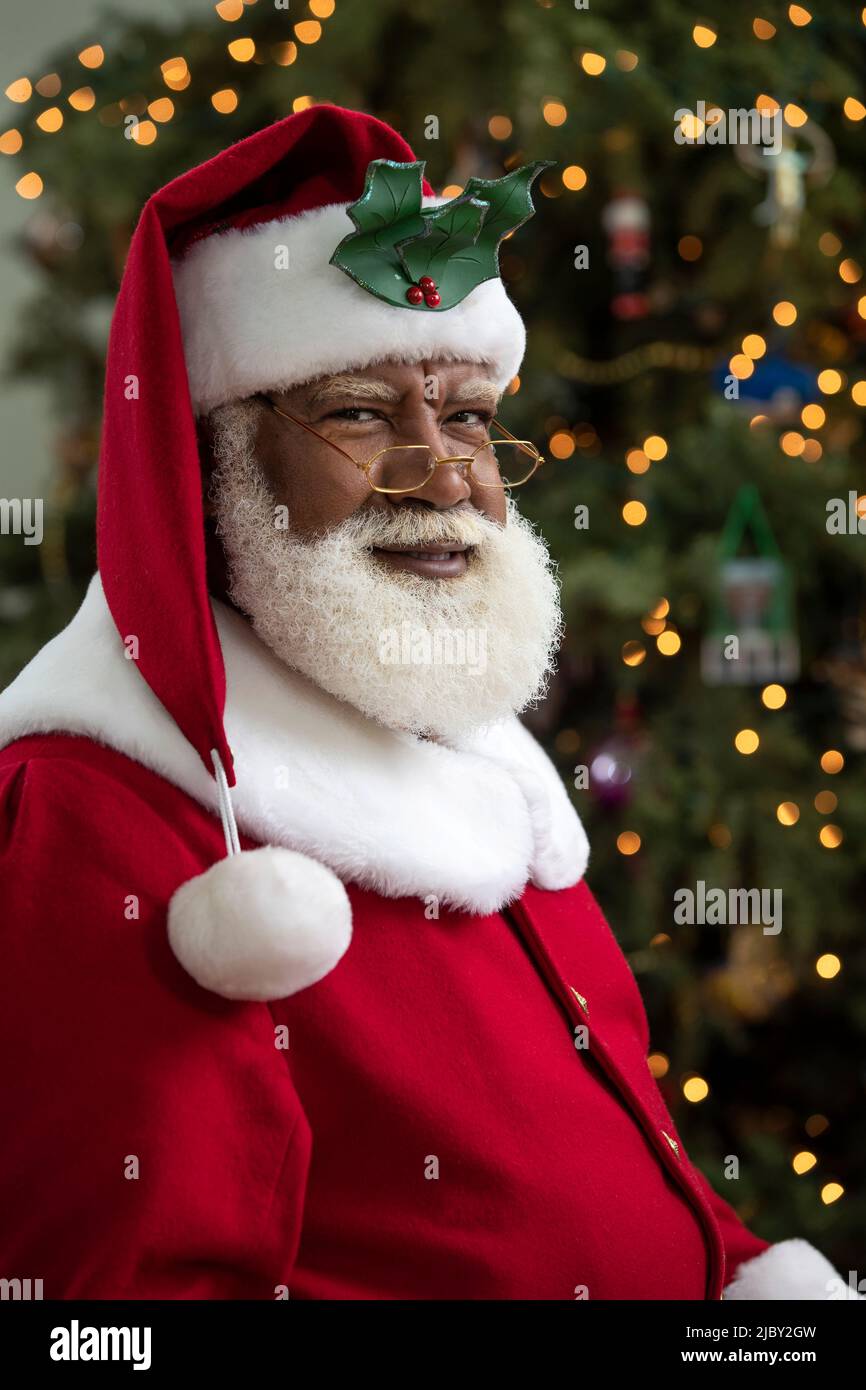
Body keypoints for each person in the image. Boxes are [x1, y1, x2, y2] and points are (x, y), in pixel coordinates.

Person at [0, 105, 852, 1300]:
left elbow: (634, 1180)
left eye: (466, 417)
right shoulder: (98, 811)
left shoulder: (474, 762)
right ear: (212, 462)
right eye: (355, 410)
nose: (444, 471)